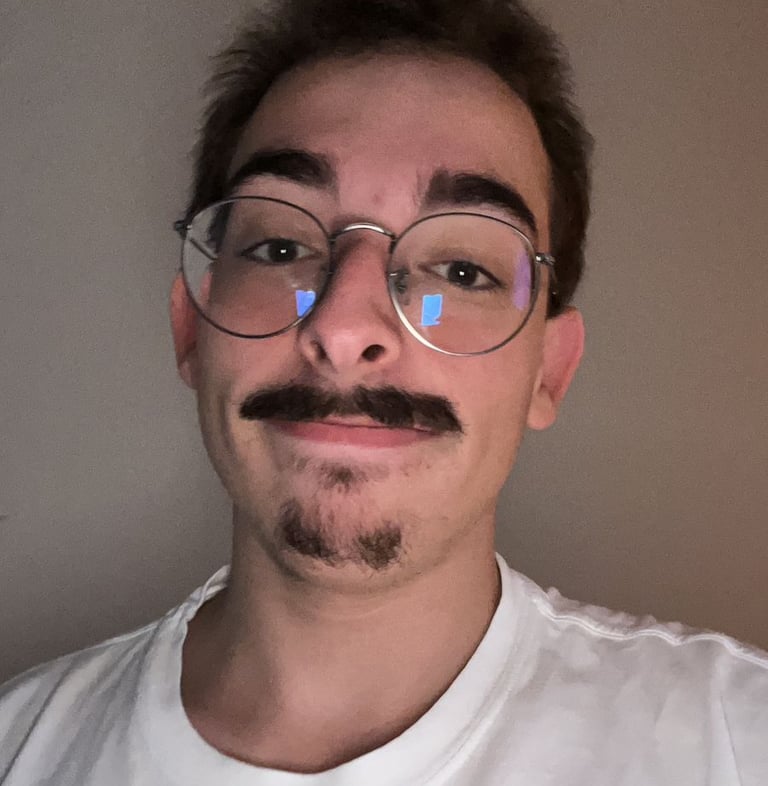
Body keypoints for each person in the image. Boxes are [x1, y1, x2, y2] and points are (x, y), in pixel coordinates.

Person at [1, 0, 766, 783]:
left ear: (548, 370)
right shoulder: (19, 748)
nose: (343, 327)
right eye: (281, 247)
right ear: (191, 328)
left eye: (461, 270)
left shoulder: (737, 739)